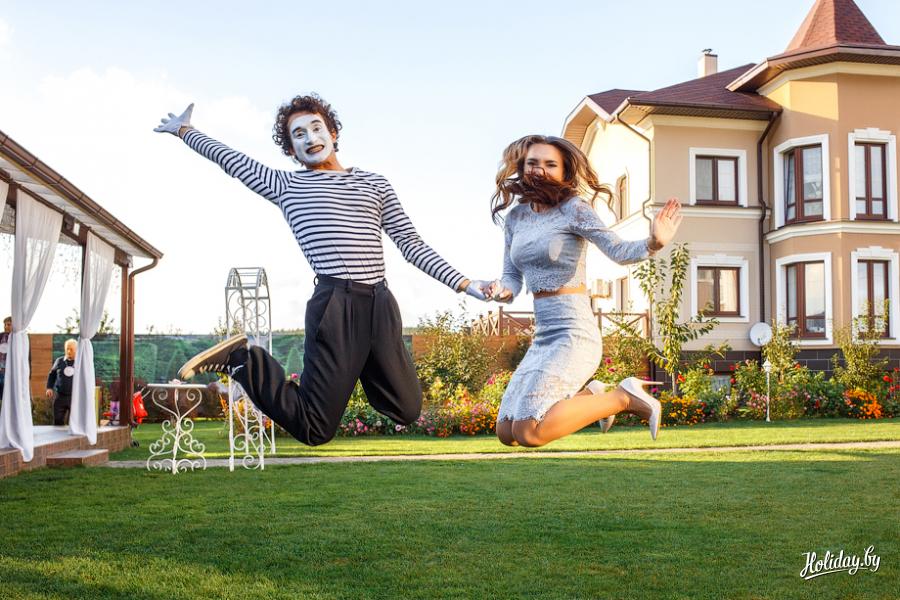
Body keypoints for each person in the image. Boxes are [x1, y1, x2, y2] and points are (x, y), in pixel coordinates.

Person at [154, 94, 490, 446]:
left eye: (316, 128)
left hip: (380, 304)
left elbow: (410, 243)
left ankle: (356, 365)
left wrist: (466, 283)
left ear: (332, 133)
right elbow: (233, 161)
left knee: (406, 408)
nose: (310, 138)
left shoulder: (375, 184)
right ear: (291, 149)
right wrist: (185, 131)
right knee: (315, 428)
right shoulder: (286, 186)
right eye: (298, 134)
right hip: (335, 305)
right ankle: (242, 359)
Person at [486, 135, 682, 447]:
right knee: (507, 432)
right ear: (522, 168)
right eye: (532, 163)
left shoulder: (574, 209)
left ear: (564, 172)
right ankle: (592, 394)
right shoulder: (516, 218)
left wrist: (654, 243)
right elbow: (511, 278)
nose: (540, 170)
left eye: (550, 164)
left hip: (574, 332)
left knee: (530, 432)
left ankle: (624, 397)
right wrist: (500, 290)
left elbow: (618, 250)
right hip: (544, 334)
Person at [46, 338, 77, 426]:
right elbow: (52, 375)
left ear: (77, 350)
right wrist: (49, 388)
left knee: (74, 423)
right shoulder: (59, 361)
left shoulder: (80, 362)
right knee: (57, 420)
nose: (69, 351)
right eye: (67, 349)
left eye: (71, 349)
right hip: (60, 396)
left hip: (75, 397)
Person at [0, 316, 10, 401]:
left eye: (8, 324)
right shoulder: (1, 336)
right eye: (5, 324)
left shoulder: (17, 338)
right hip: (1, 370)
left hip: (11, 372)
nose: (6, 326)